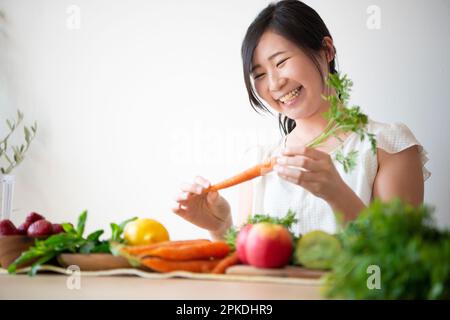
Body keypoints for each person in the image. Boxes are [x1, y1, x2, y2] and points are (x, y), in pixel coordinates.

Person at [171, 0, 430, 239]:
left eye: (281, 62)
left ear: (327, 50)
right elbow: (249, 272)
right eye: (259, 74)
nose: (275, 83)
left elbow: (397, 263)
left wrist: (336, 193)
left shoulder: (388, 145)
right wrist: (221, 227)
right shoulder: (259, 162)